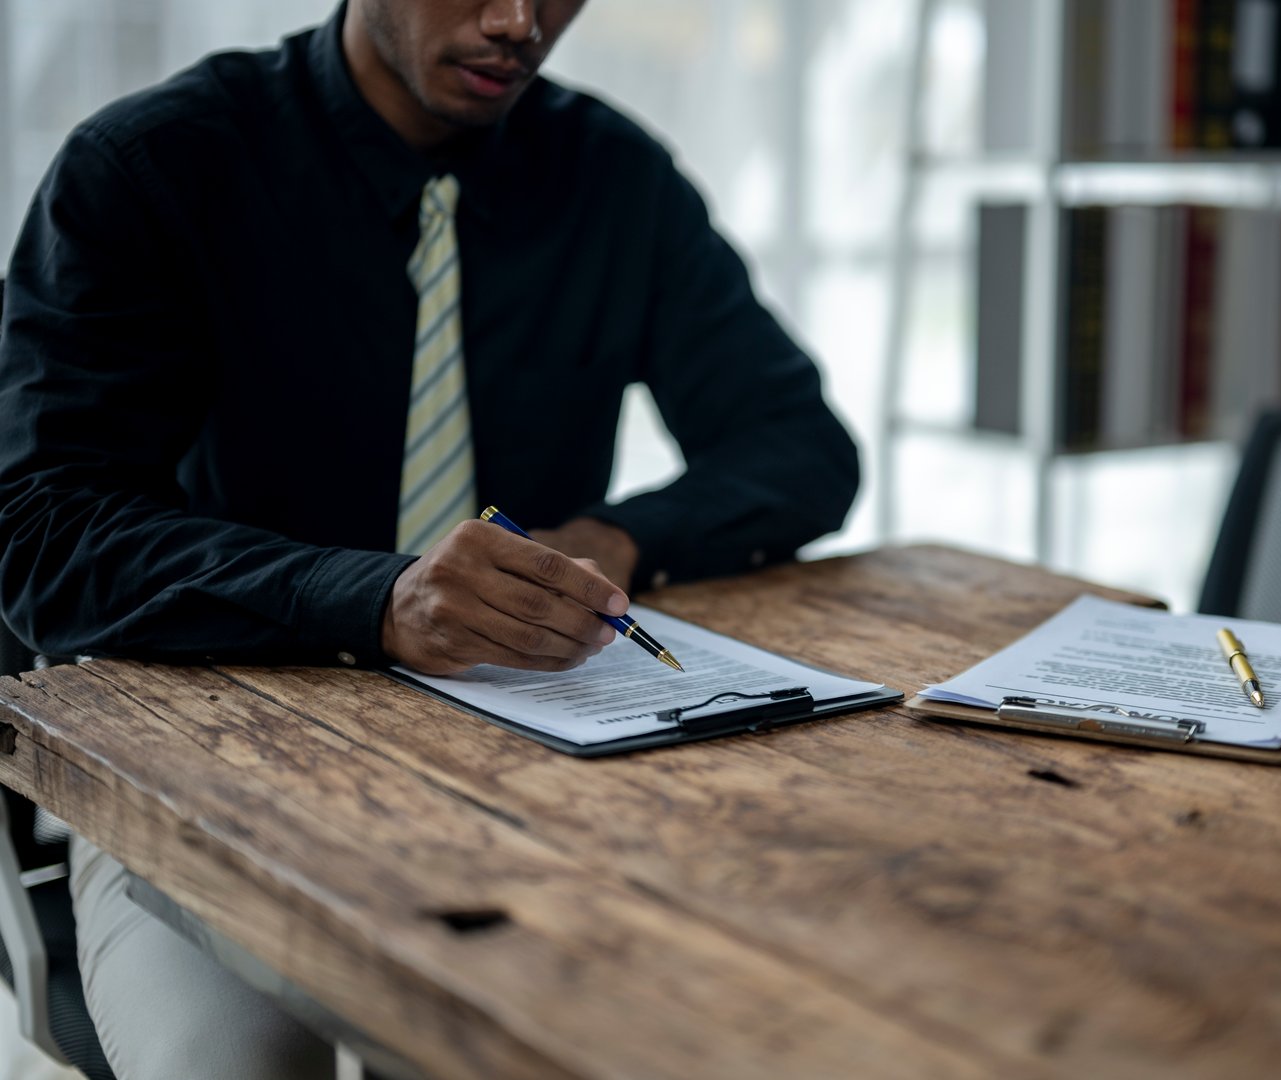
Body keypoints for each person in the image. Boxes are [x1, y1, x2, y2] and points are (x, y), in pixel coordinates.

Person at [0, 0, 858, 1075]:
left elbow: (800, 446)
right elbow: (41, 532)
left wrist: (621, 536)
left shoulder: (609, 175)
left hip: (536, 769)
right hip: (199, 779)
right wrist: (376, 598)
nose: (519, 21)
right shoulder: (153, 167)